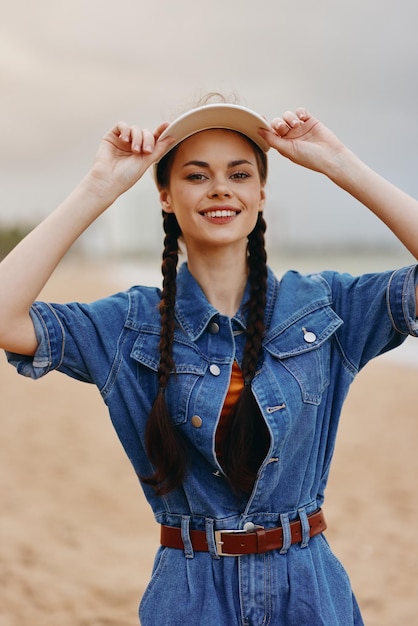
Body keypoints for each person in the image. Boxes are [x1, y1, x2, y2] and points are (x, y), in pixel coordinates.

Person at [0, 98, 417, 626]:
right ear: (166, 197)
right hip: (190, 595)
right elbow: (5, 316)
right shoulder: (129, 324)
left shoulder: (324, 306)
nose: (220, 188)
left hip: (309, 591)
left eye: (239, 174)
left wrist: (338, 164)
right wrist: (100, 188)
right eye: (197, 175)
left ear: (260, 194)